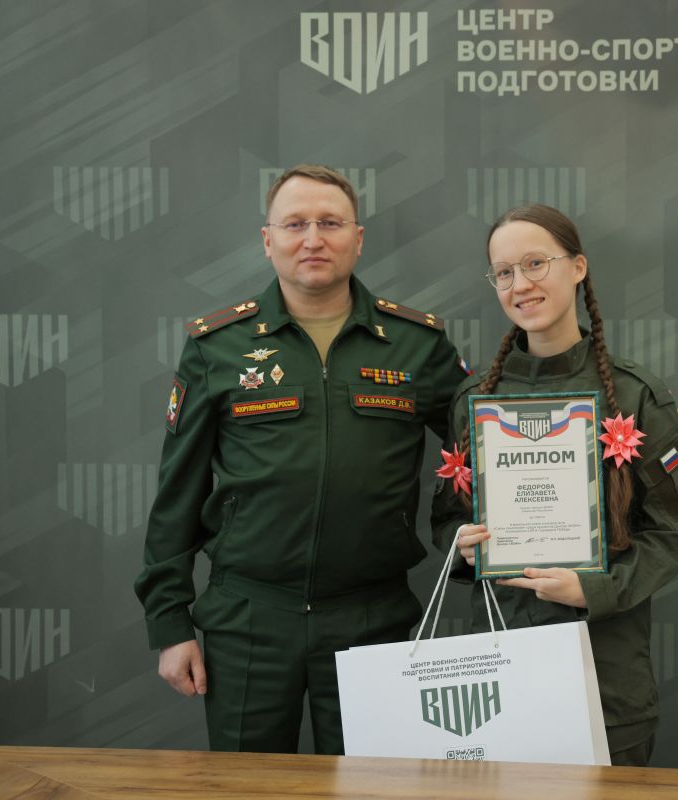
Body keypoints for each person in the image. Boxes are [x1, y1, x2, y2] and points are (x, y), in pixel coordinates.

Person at [135, 164, 468, 754]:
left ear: (358, 239)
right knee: (247, 792)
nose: (313, 238)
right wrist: (169, 622)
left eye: (330, 223)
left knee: (373, 790)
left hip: (373, 618)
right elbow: (177, 492)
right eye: (295, 224)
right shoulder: (217, 346)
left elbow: (481, 450)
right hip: (249, 619)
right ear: (268, 240)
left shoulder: (417, 344)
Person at [431, 203, 678, 767]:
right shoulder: (474, 402)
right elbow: (447, 519)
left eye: (536, 263)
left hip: (607, 679)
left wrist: (595, 590)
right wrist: (462, 544)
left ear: (578, 267)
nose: (520, 284)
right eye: (503, 272)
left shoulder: (633, 396)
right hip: (502, 677)